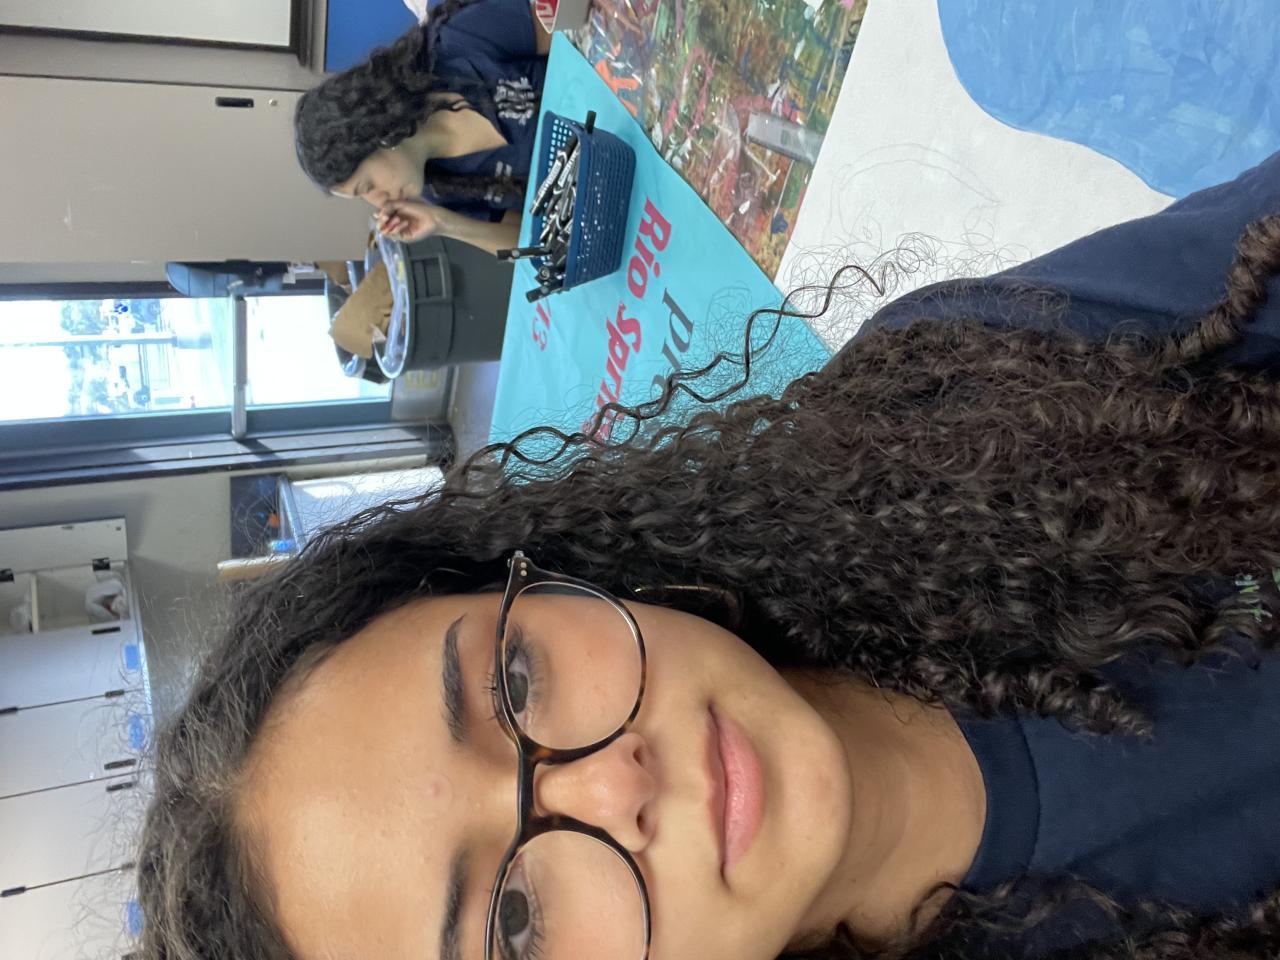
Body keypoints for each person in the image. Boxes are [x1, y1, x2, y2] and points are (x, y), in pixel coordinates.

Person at [137, 152, 1280, 960]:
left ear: (551, 572)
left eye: (514, 681)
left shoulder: (946, 414)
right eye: (514, 924)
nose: (613, 785)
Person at [295, 0, 551, 256]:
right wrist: (441, 223)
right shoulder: (440, 189)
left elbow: (566, 25)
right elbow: (535, 244)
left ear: (376, 132)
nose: (380, 203)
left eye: (368, 186)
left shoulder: (456, 46)